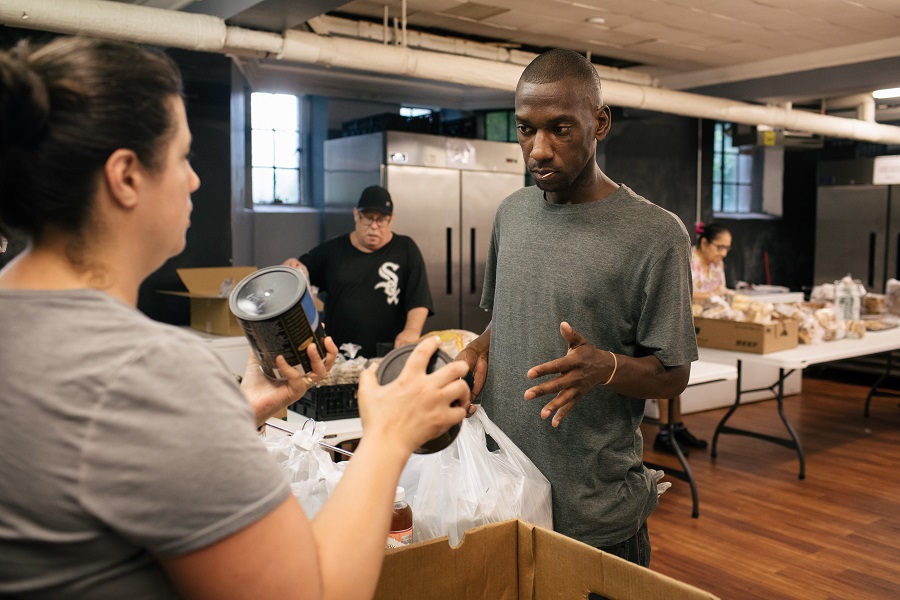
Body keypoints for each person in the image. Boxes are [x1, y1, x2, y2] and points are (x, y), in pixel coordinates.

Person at [0, 36, 470, 599]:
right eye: (182, 157)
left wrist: (243, 409)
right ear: (125, 177)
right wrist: (388, 436)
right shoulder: (147, 371)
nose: (195, 179)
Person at [455, 48, 698, 568]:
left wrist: (606, 368)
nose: (538, 149)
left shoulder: (655, 235)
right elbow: (510, 312)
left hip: (593, 514)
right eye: (525, 130)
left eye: (560, 129)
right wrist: (478, 347)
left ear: (600, 123)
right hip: (503, 497)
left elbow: (673, 375)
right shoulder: (512, 214)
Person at [283, 185, 433, 358]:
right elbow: (300, 271)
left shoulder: (406, 249)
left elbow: (419, 298)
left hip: (389, 353)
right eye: (368, 218)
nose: (374, 226)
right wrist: (293, 266)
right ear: (356, 215)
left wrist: (411, 331)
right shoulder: (332, 250)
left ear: (391, 219)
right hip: (338, 355)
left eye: (381, 219)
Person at [691, 221, 733, 301]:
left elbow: (721, 290)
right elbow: (680, 296)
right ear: (704, 243)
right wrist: (711, 295)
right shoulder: (686, 261)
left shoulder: (718, 263)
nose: (724, 254)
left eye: (727, 248)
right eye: (720, 247)